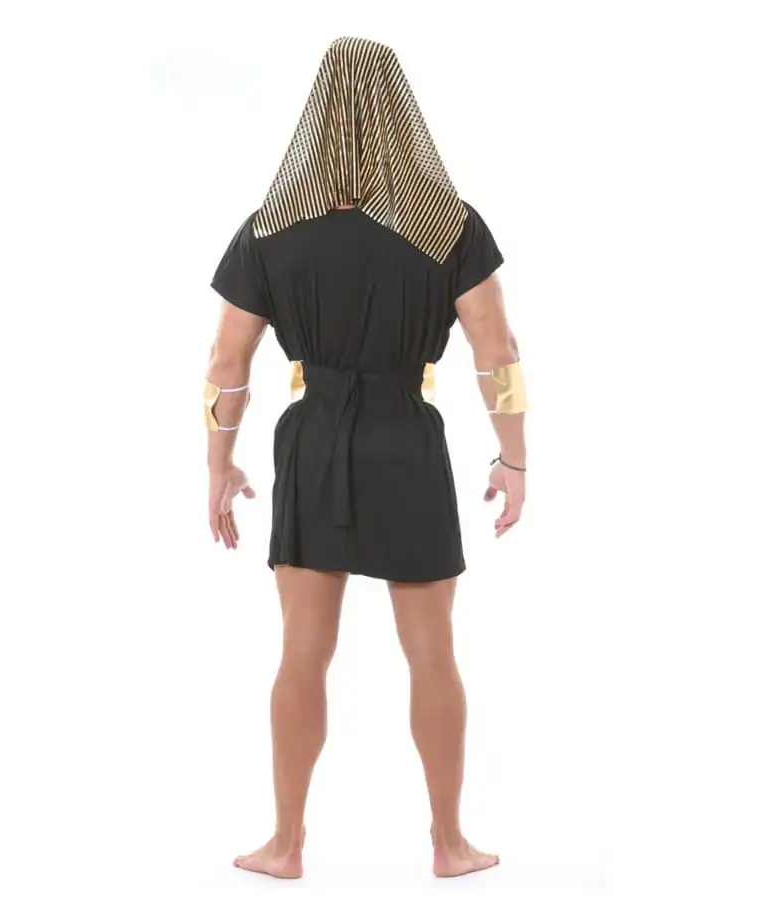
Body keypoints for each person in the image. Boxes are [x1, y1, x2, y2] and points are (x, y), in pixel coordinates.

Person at [203, 36, 527, 880]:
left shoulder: (271, 229)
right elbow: (497, 351)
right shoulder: (449, 225)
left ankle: (285, 845)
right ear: (399, 115)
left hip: (312, 443)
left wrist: (218, 464)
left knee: (301, 653)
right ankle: (450, 843)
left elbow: (227, 362)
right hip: (406, 445)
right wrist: (514, 459)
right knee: (433, 653)